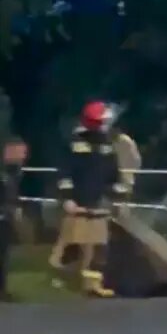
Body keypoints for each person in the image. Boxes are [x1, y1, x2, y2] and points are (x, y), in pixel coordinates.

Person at [53, 100, 128, 297]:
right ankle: (63, 279)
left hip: (99, 205)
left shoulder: (107, 146)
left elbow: (114, 176)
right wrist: (67, 198)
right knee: (72, 244)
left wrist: (117, 197)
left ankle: (92, 284)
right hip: (77, 204)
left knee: (98, 246)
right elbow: (64, 174)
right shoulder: (73, 145)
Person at [0, 138, 28, 300]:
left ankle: (2, 289)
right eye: (20, 152)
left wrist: (14, 207)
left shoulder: (14, 171)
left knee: (4, 254)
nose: (23, 156)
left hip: (5, 218)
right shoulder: (5, 171)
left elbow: (12, 193)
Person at [112, 123, 141, 197]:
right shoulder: (118, 139)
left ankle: (127, 197)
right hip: (125, 165)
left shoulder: (123, 139)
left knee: (127, 183)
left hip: (128, 165)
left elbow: (121, 152)